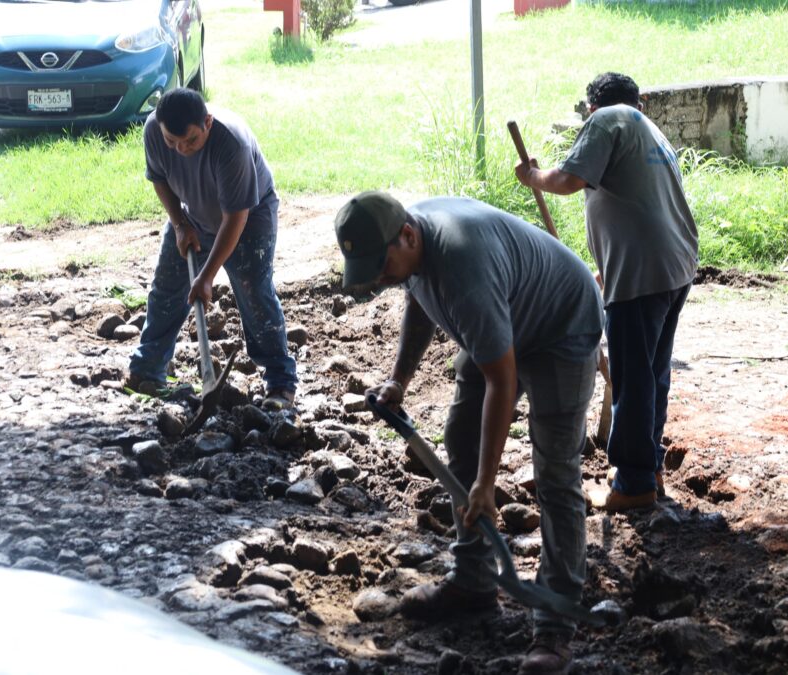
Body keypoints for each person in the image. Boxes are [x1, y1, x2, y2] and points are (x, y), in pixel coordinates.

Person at [335, 192, 603, 675]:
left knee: (556, 474)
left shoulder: (463, 270)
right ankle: (473, 581)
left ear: (408, 236)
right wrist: (399, 380)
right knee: (460, 435)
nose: (379, 279)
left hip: (561, 326)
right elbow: (419, 300)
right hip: (505, 317)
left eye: (382, 267)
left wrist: (486, 483)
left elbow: (502, 380)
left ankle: (555, 624)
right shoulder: (408, 244)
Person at [515, 72, 699, 512]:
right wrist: (606, 270)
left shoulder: (608, 119)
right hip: (673, 266)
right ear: (640, 102)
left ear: (591, 109)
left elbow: (569, 180)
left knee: (633, 378)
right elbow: (639, 204)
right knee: (652, 373)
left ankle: (633, 485)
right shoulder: (649, 130)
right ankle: (648, 467)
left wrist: (533, 176)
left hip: (643, 274)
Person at [125, 88, 297, 407]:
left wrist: (206, 277)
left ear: (207, 122)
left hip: (249, 217)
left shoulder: (232, 145)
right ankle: (147, 370)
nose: (181, 150)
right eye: (172, 142)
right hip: (191, 216)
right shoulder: (153, 130)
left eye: (190, 141)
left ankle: (280, 382)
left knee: (254, 291)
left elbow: (235, 218)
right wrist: (180, 224)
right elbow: (159, 178)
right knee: (166, 288)